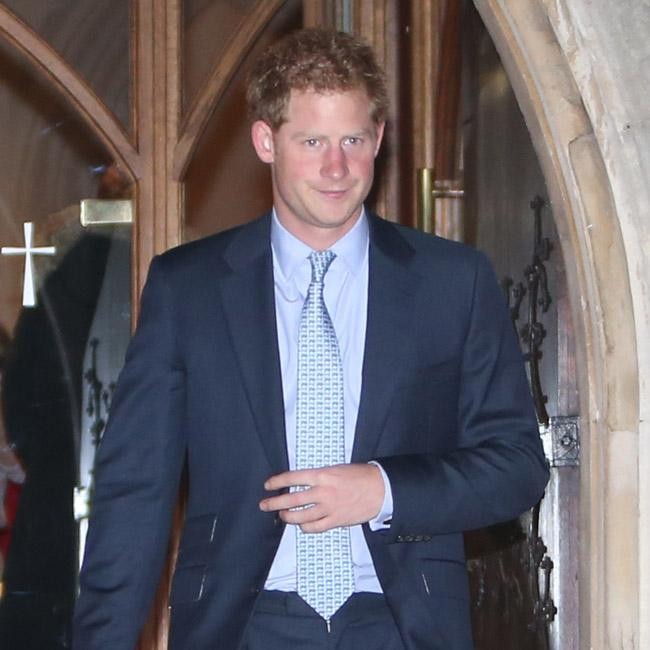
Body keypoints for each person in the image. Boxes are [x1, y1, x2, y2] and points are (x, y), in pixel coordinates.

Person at [73, 28, 549, 649]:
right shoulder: (188, 289)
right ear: (265, 141)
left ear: (378, 138)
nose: (336, 167)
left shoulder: (453, 281)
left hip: (401, 628)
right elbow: (135, 488)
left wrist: (382, 490)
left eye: (353, 140)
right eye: (312, 141)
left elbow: (516, 466)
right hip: (243, 627)